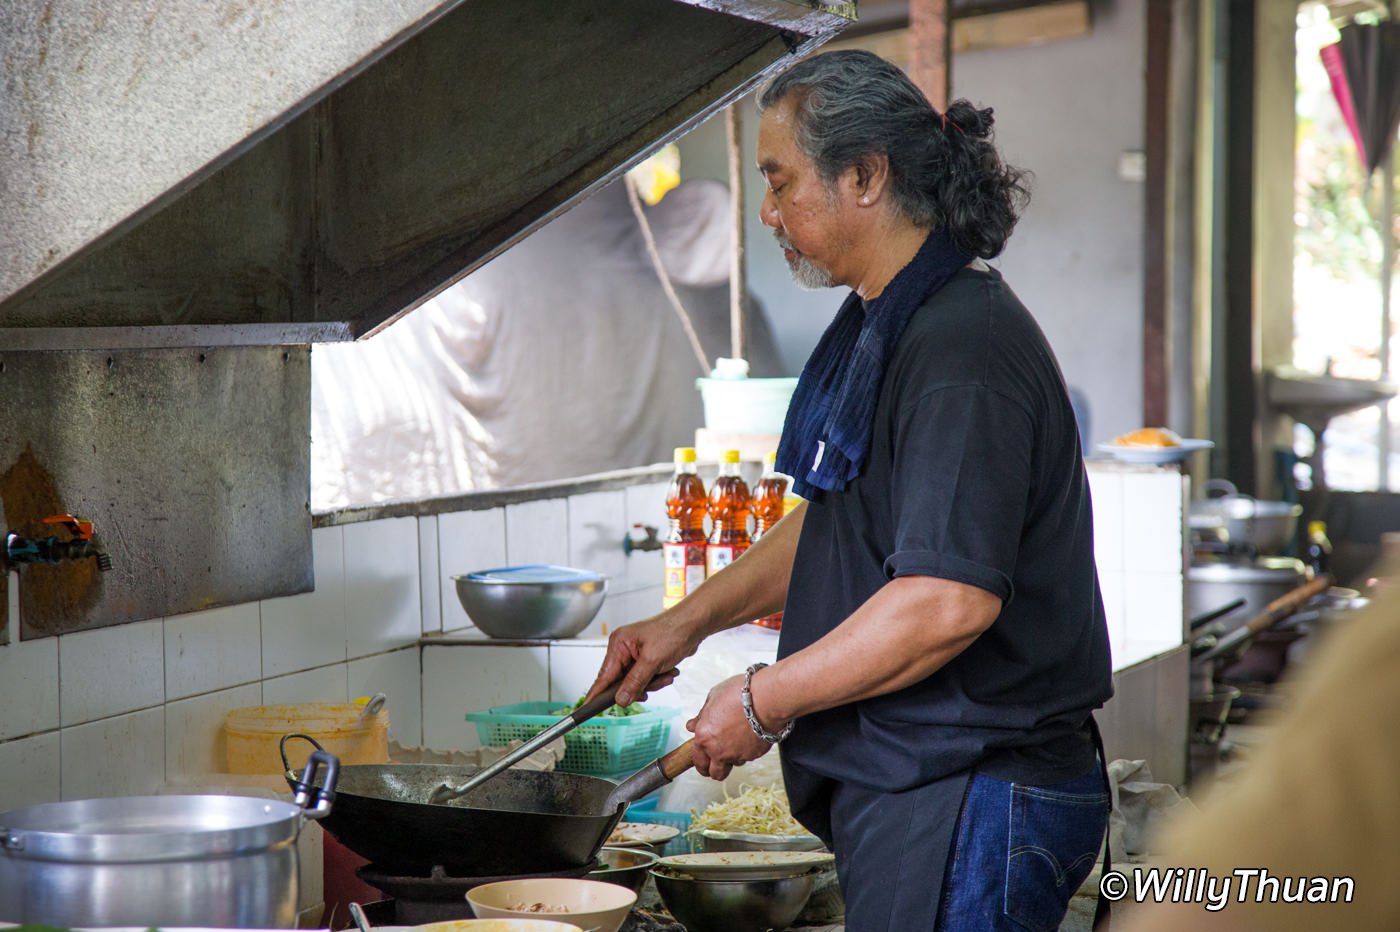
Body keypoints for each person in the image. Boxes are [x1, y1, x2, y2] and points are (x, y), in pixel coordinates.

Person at [586, 50, 1114, 930]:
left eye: (780, 181)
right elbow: (843, 521)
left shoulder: (961, 351)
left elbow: (946, 601)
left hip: (973, 798)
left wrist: (762, 700)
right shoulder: (894, 318)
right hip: (929, 788)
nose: (766, 212)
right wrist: (685, 623)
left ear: (865, 176)